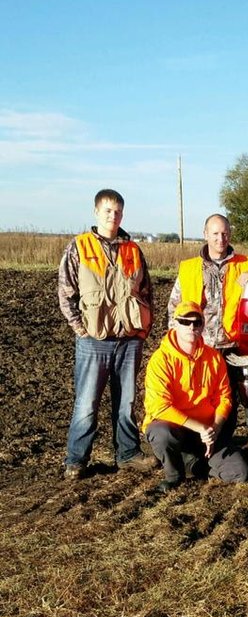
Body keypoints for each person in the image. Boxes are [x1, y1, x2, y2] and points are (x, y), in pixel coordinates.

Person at [58, 188, 156, 480]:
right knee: (86, 403)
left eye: (118, 211)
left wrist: (143, 330)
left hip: (129, 340)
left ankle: (127, 453)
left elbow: (147, 291)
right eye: (108, 211)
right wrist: (80, 328)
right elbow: (66, 294)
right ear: (96, 212)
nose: (113, 216)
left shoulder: (132, 250)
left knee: (126, 402)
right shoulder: (80, 247)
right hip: (93, 341)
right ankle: (76, 460)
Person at [143, 301, 248, 493]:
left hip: (207, 432)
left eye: (197, 322)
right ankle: (174, 476)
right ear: (175, 324)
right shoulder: (160, 360)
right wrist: (200, 428)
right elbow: (159, 407)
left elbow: (224, 397)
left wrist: (215, 429)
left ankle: (195, 464)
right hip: (178, 429)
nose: (191, 326)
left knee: (240, 473)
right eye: (185, 322)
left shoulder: (214, 358)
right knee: (161, 432)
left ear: (203, 325)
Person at [167, 213, 248, 354]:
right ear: (205, 234)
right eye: (215, 234)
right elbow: (173, 310)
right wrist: (179, 343)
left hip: (233, 347)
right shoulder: (189, 268)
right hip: (198, 345)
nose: (221, 239)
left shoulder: (245, 263)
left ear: (230, 234)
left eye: (225, 233)